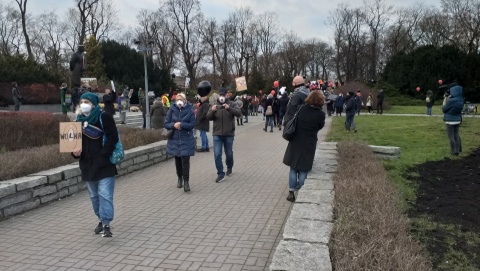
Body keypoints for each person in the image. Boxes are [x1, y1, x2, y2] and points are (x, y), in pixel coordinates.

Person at [72, 92, 118, 237]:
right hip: (87, 165)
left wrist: (104, 155)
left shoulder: (103, 117)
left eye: (87, 101)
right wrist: (75, 153)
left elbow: (113, 137)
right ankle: (100, 218)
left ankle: (106, 224)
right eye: (82, 101)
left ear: (93, 103)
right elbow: (73, 144)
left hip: (104, 164)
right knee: (94, 197)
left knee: (105, 195)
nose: (83, 104)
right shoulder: (77, 121)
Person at [283, 90, 326, 202]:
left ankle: (291, 192)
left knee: (293, 167)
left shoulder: (301, 109)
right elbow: (320, 127)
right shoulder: (321, 115)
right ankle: (301, 193)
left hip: (296, 140)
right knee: (303, 169)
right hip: (309, 143)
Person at [206, 87, 242, 183]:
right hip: (217, 133)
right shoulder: (214, 104)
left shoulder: (232, 103)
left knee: (229, 153)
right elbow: (208, 117)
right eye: (220, 95)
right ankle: (220, 173)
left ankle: (229, 166)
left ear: (226, 95)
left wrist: (229, 108)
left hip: (228, 133)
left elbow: (239, 113)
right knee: (217, 154)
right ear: (218, 95)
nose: (222, 96)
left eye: (223, 95)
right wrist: (212, 111)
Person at [164, 93, 196, 191]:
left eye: (181, 99)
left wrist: (181, 124)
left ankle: (186, 181)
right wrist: (174, 125)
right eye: (177, 99)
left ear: (185, 100)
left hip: (186, 138)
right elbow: (166, 123)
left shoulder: (190, 110)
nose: (179, 101)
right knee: (177, 160)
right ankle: (179, 178)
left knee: (186, 160)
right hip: (175, 139)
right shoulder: (172, 110)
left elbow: (192, 124)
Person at [442, 84, 463, 156]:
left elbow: (444, 109)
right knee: (456, 136)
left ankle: (453, 151)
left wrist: (445, 99)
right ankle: (457, 150)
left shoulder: (451, 101)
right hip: (457, 120)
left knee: (451, 137)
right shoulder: (461, 100)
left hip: (450, 121)